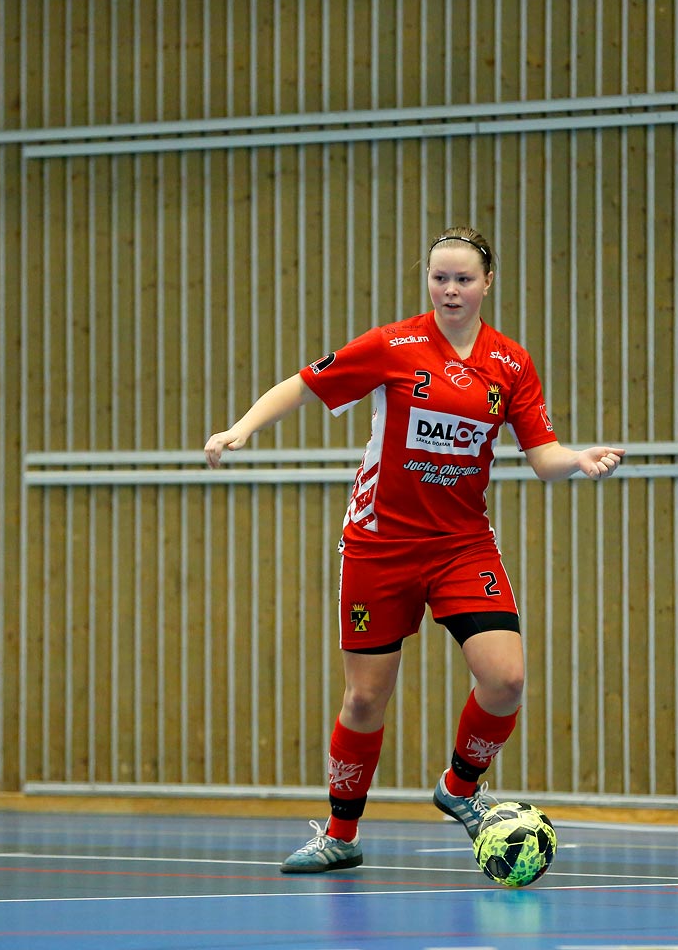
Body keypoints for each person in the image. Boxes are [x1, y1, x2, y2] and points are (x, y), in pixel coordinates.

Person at [204, 226, 625, 872]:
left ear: (488, 284)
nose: (450, 290)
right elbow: (305, 384)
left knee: (505, 678)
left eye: (463, 279)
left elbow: (542, 457)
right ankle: (340, 835)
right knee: (366, 698)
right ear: (427, 281)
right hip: (380, 545)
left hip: (462, 546)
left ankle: (459, 789)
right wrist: (240, 429)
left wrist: (580, 459)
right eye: (439, 278)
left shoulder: (510, 363)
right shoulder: (393, 346)